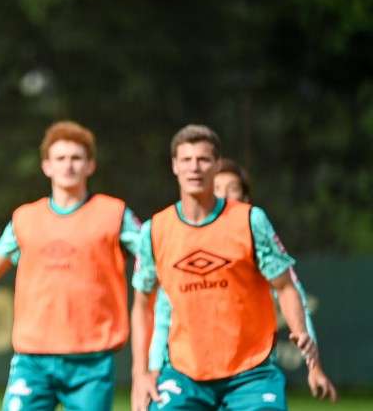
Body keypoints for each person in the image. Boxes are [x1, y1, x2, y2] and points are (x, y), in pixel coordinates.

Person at [130, 125, 317, 411]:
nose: (195, 168)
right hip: (184, 371)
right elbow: (143, 306)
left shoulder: (250, 221)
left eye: (203, 159)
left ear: (217, 166)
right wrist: (141, 374)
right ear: (174, 166)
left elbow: (285, 286)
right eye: (186, 160)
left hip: (251, 371)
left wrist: (300, 330)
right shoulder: (154, 231)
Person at [0, 121, 143, 411]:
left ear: (90, 165)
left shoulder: (114, 213)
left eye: (76, 158)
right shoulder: (25, 218)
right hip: (32, 357)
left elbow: (155, 255)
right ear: (46, 166)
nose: (68, 166)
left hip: (92, 359)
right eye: (60, 158)